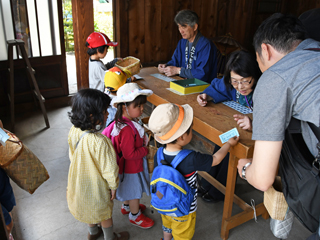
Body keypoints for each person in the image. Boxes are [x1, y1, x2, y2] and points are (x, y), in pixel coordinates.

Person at [236, 13, 320, 240]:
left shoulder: (275, 76)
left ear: (266, 50)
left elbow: (263, 178)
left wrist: (245, 169)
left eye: (258, 61)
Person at [148, 103, 239, 240]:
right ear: (182, 137)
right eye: (190, 130)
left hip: (163, 201)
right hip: (183, 210)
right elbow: (216, 159)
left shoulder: (158, 153)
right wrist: (228, 144)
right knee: (183, 234)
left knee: (167, 224)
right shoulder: (191, 157)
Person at [196, 50, 261, 202]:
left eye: (245, 81)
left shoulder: (264, 90)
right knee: (223, 139)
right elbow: (218, 87)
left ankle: (217, 191)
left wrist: (253, 124)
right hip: (239, 128)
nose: (240, 87)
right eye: (235, 81)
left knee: (231, 147)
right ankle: (208, 185)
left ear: (255, 75)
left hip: (259, 136)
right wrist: (206, 95)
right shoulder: (231, 84)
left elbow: (274, 119)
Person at [67, 89, 129, 240]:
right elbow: (110, 169)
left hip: (79, 181)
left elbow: (72, 154)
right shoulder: (100, 142)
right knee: (103, 213)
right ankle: (110, 238)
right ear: (91, 116)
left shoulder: (74, 131)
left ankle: (93, 233)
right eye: (104, 111)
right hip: (97, 186)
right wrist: (113, 186)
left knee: (88, 208)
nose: (108, 114)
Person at [102, 83, 155, 229]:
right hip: (131, 168)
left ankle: (127, 206)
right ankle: (135, 215)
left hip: (125, 167)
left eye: (142, 105)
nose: (142, 109)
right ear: (125, 107)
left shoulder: (125, 122)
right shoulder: (125, 129)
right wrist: (145, 151)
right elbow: (129, 154)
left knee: (128, 189)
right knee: (134, 191)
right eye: (138, 106)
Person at [158, 9, 218, 83]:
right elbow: (175, 62)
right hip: (183, 83)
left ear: (195, 27)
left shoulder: (205, 45)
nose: (180, 31)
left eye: (184, 27)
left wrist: (178, 70)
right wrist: (166, 67)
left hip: (202, 88)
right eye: (179, 26)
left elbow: (202, 74)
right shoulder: (182, 42)